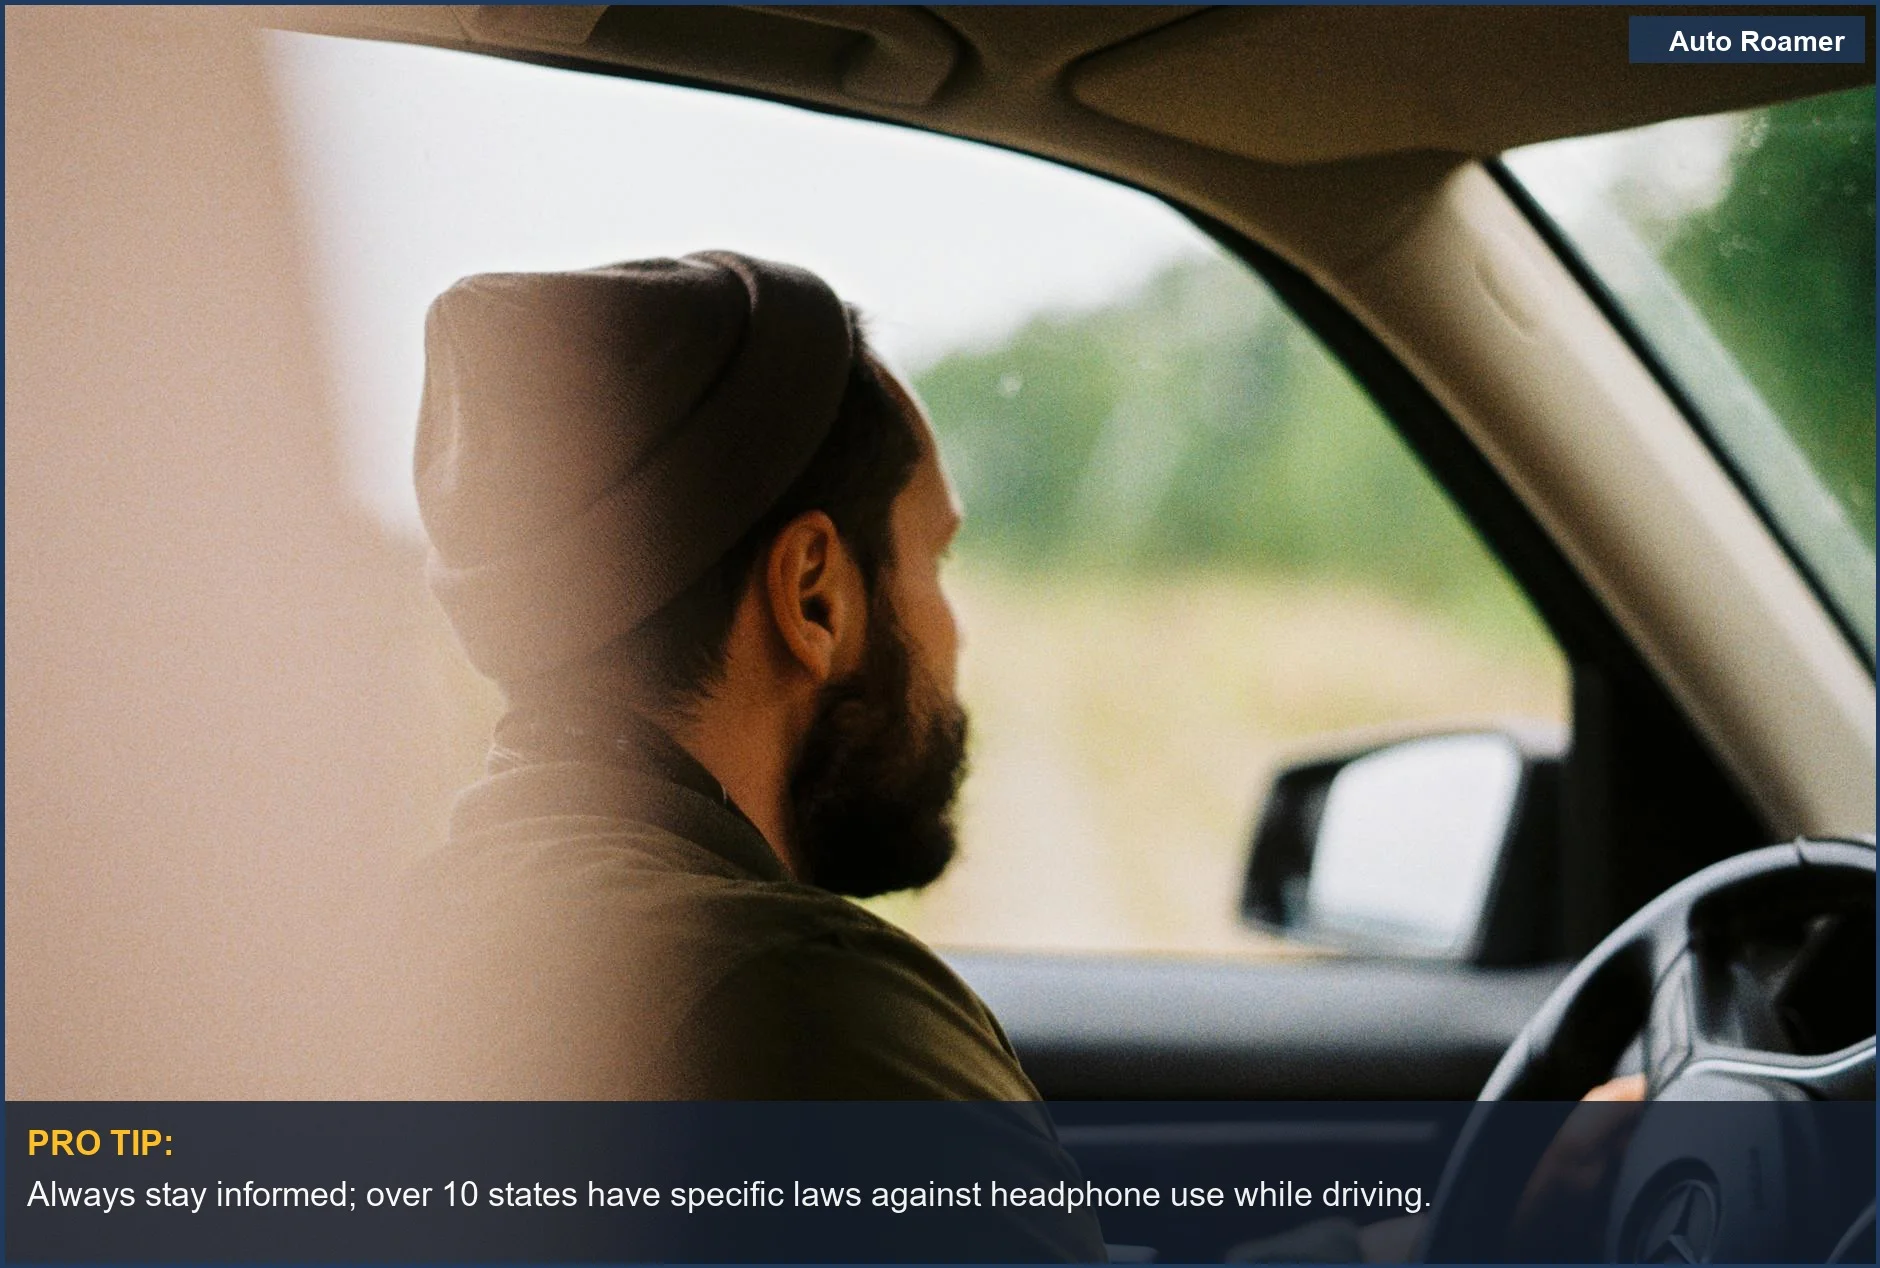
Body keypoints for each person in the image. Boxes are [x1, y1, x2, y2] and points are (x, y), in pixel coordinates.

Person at [404, 248, 1056, 1104]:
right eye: (935, 558)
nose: (955, 634)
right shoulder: (804, 1003)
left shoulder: (375, 958)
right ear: (815, 594)